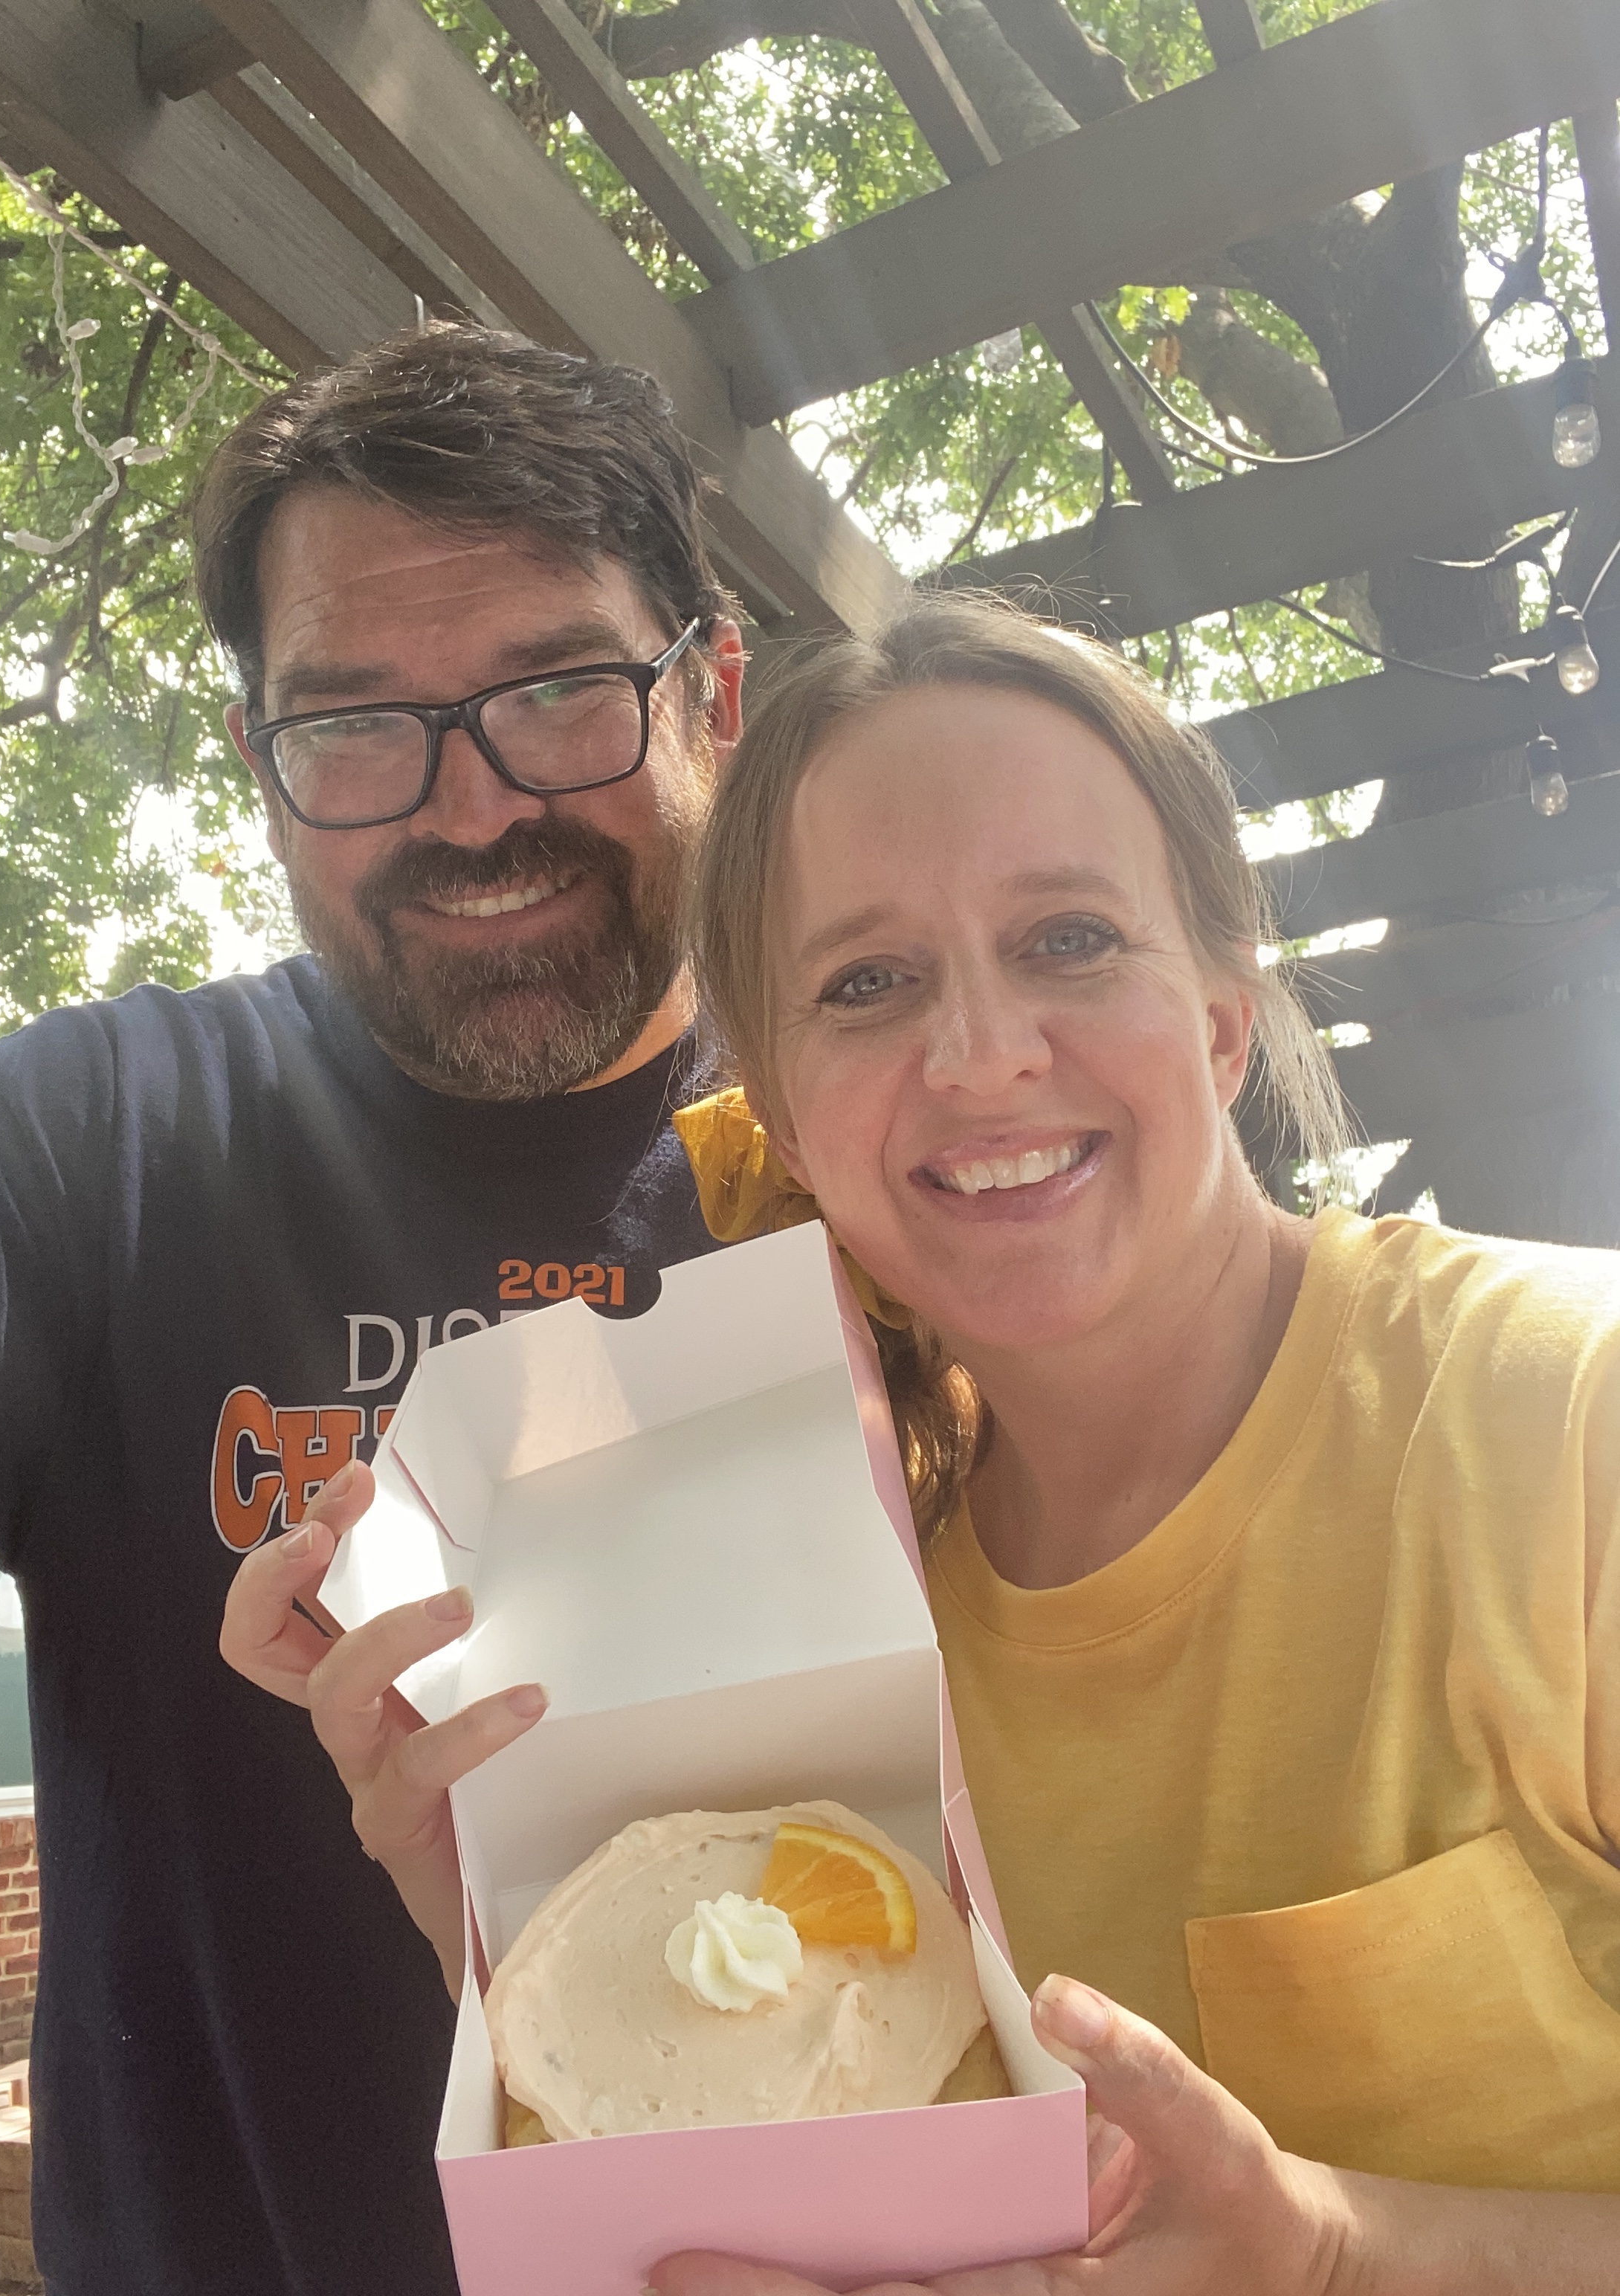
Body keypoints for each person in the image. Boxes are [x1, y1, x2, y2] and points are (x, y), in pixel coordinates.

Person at [244, 594, 1620, 2293]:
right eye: (868, 982)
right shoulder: (852, 1653)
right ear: (788, 1121)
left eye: (1069, 938)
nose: (978, 1057)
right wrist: (492, 1898)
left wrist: (1341, 2251)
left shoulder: (1571, 1418)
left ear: (1221, 1012)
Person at [0, 320, 746, 2296]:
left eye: (557, 691)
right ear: (261, 770)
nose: (472, 812)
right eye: (356, 724)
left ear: (710, 694)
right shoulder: (76, 1147)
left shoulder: (891, 1169)